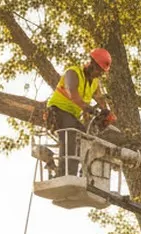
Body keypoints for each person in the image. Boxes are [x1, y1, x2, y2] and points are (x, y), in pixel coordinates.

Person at [45, 47, 115, 176]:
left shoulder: (94, 82)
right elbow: (73, 94)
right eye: (99, 70)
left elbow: (99, 97)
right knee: (70, 136)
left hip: (72, 117)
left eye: (102, 72)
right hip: (57, 111)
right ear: (92, 64)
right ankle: (64, 175)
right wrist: (89, 108)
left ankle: (81, 175)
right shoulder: (73, 73)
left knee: (84, 140)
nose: (100, 74)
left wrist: (106, 111)